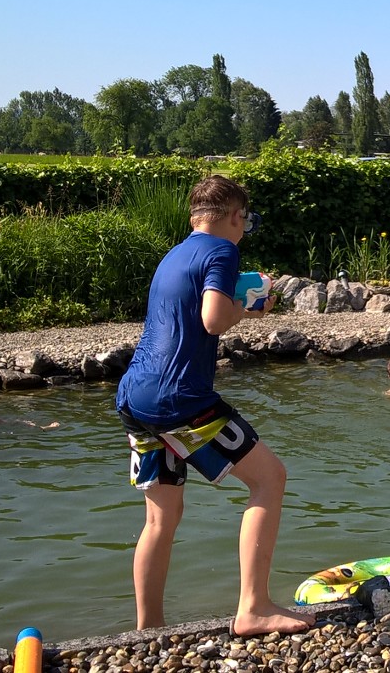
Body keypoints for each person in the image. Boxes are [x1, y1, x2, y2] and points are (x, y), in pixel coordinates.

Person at [114, 175, 311, 637]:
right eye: (247, 220)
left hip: (135, 396)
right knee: (269, 479)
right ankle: (253, 608)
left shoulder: (174, 254)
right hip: (179, 398)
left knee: (160, 518)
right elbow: (213, 319)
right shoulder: (222, 250)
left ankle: (149, 629)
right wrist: (249, 310)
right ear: (236, 217)